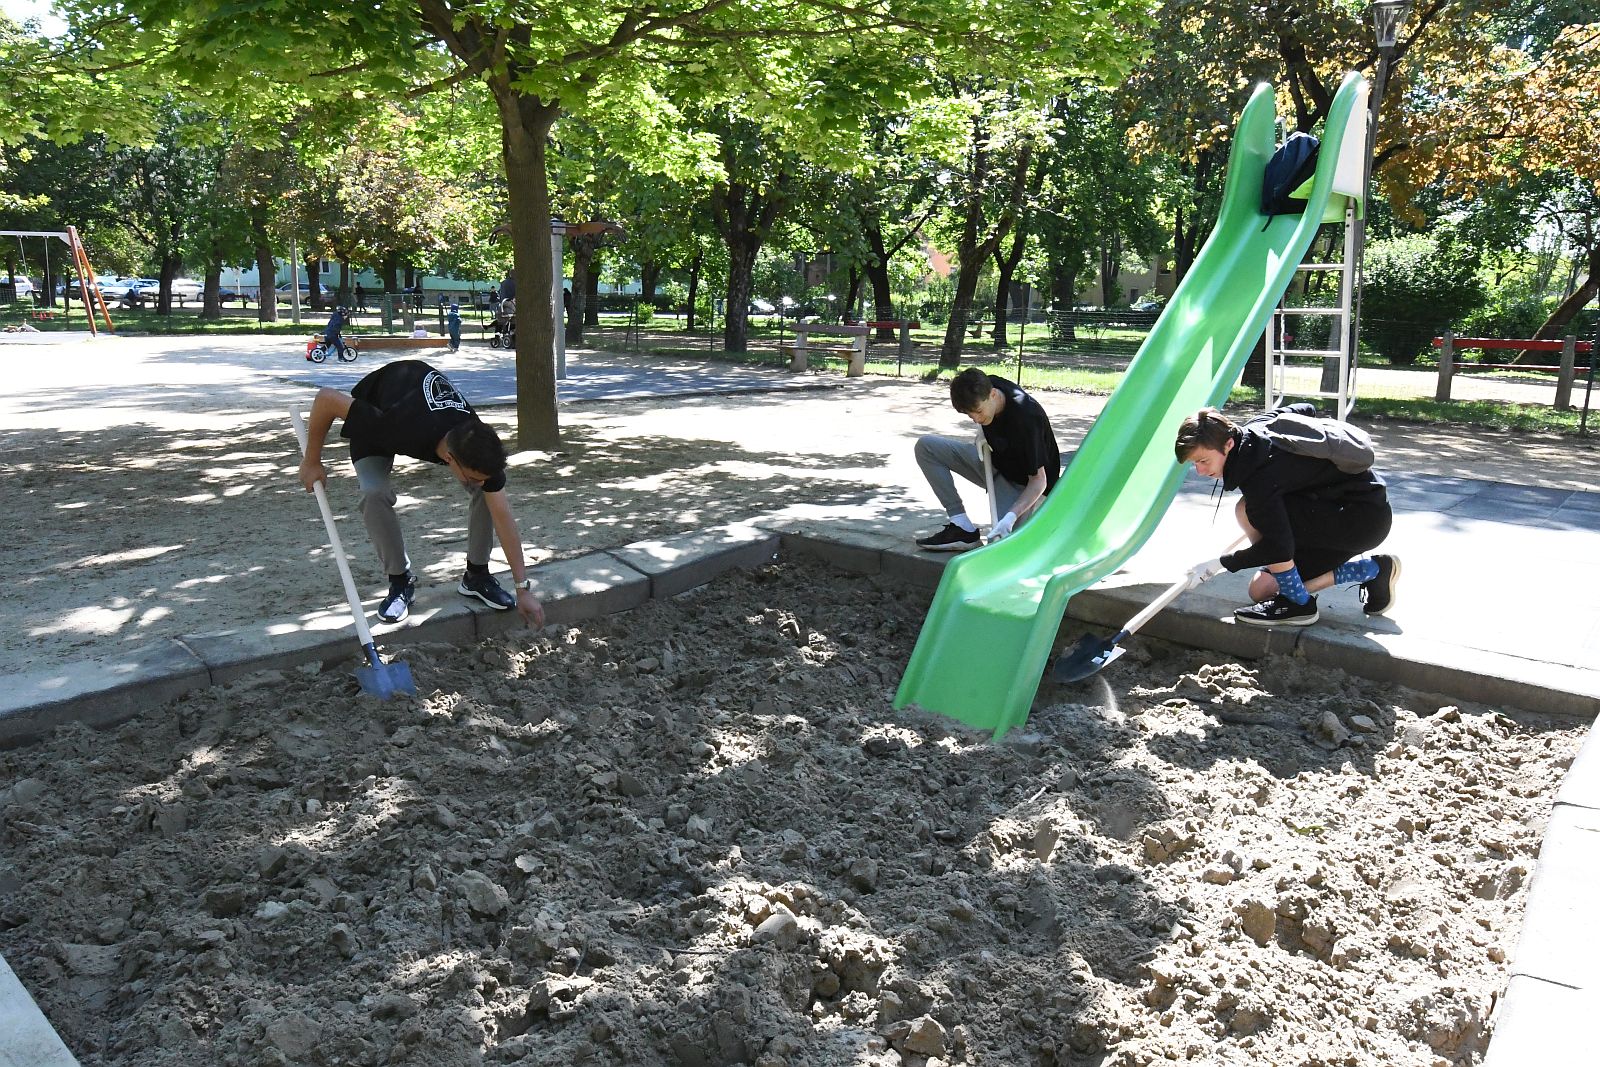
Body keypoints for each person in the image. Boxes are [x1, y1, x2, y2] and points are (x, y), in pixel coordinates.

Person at [297, 360, 545, 628]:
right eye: (472, 476)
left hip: (418, 401)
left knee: (487, 493)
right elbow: (326, 399)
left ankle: (476, 576)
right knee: (373, 493)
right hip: (381, 406)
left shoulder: (477, 440)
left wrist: (522, 589)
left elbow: (503, 516)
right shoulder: (395, 424)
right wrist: (312, 461)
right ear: (450, 458)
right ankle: (400, 582)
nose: (478, 481)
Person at [1175, 404, 1399, 626]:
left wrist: (1218, 564)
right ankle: (1375, 570)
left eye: (1204, 461)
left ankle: (1298, 604)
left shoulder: (1260, 480)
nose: (1201, 472)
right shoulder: (1255, 427)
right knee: (1261, 589)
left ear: (1229, 444)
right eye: (1195, 463)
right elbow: (1306, 409)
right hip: (1346, 507)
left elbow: (1277, 548)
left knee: (1249, 513)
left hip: (1360, 521)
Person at [913, 366, 1061, 551]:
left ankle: (1018, 524)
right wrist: (982, 432)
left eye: (978, 412)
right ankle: (962, 527)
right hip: (994, 464)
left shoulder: (1027, 418)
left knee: (1000, 547)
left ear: (993, 395)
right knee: (927, 447)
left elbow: (1039, 481)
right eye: (969, 415)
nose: (975, 419)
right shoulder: (985, 384)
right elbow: (978, 411)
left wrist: (1011, 517)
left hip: (1025, 486)